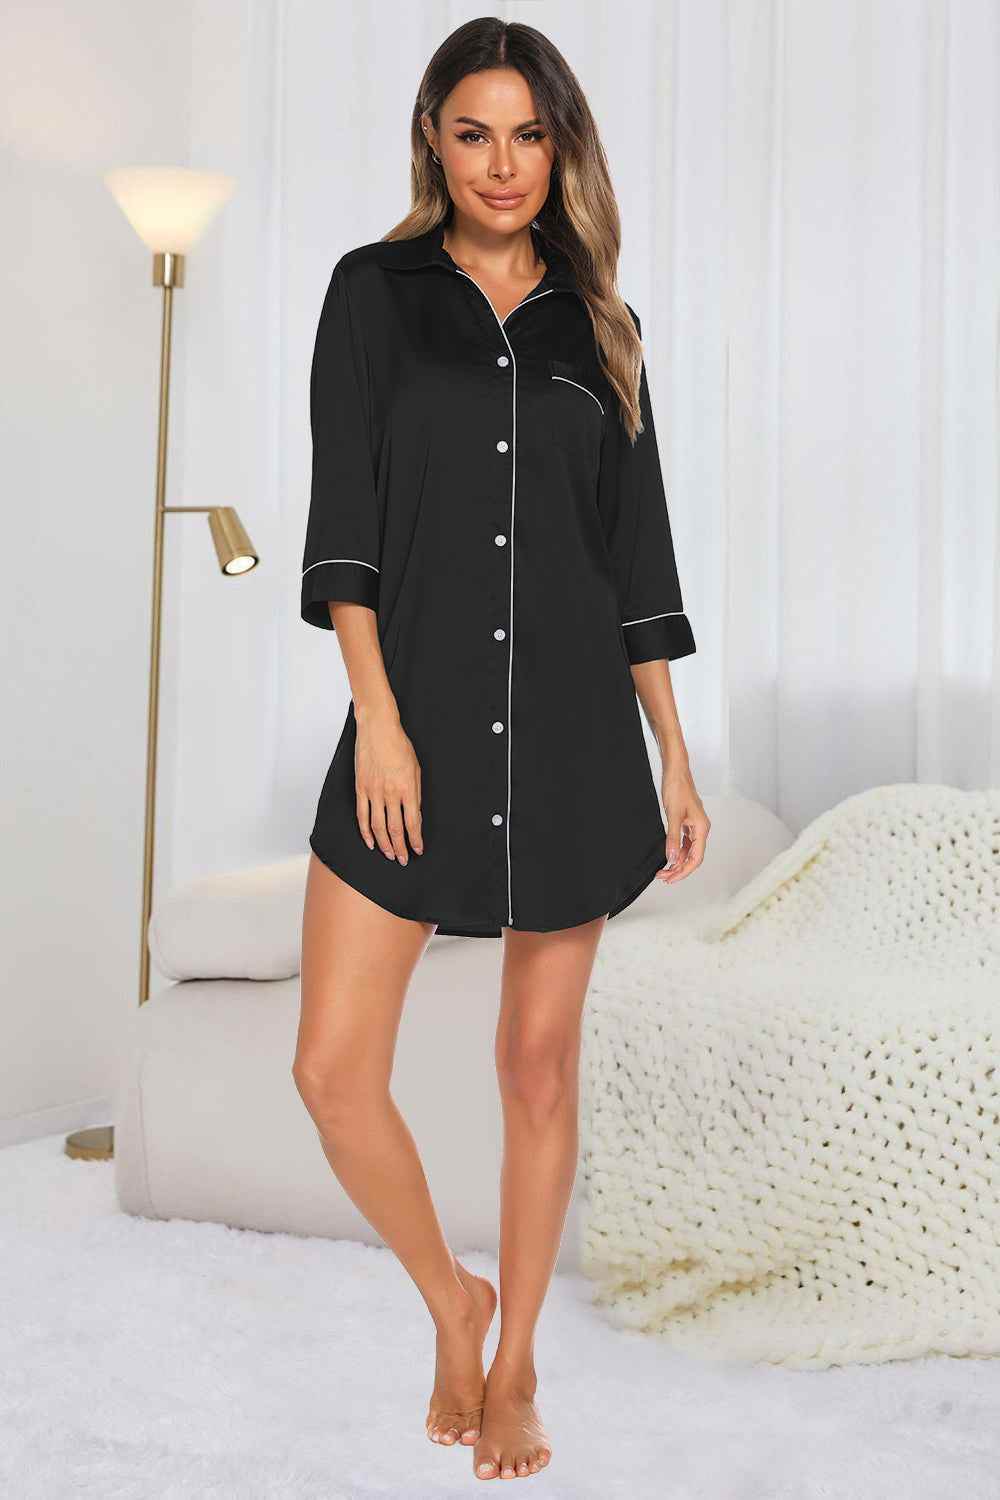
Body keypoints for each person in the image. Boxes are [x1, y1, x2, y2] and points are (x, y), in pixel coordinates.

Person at [292, 16, 710, 1484]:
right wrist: (379, 722)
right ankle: (449, 1301)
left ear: (561, 148)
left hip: (577, 742)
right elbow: (346, 530)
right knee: (333, 1071)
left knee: (535, 1068)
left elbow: (636, 560)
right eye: (474, 133)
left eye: (529, 134)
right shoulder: (373, 295)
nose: (502, 163)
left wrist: (673, 753)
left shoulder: (604, 327)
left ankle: (516, 1357)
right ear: (434, 139)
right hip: (410, 732)